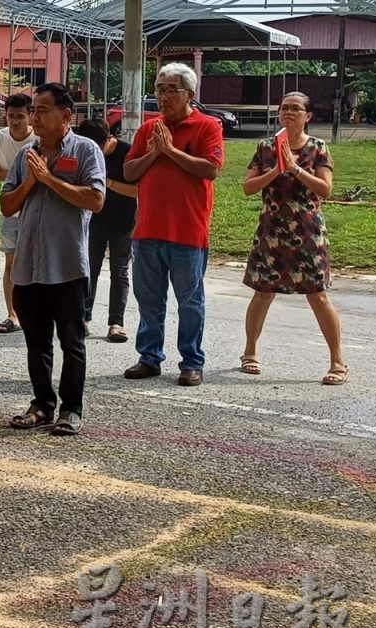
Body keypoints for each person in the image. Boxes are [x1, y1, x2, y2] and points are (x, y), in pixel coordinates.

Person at [0, 83, 106, 436]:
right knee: (36, 342)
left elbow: (94, 199)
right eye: (33, 110)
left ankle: (71, 408)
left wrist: (49, 178)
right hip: (29, 265)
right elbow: (7, 205)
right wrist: (32, 180)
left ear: (66, 115)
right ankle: (42, 404)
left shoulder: (86, 150)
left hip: (67, 266)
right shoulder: (25, 155)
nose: (35, 117)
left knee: (71, 343)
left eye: (43, 110)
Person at [122, 62, 224, 387]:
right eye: (159, 89)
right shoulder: (147, 129)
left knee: (190, 301)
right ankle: (149, 358)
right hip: (148, 230)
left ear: (189, 94)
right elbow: (129, 172)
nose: (163, 96)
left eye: (171, 90)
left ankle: (192, 361)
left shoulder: (208, 126)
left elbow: (210, 169)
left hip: (187, 232)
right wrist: (155, 153)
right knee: (150, 301)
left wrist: (171, 151)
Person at [240, 92, 347, 385]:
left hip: (308, 231)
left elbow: (325, 189)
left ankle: (338, 361)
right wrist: (276, 169)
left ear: (307, 116)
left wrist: (296, 169)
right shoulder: (265, 147)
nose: (289, 112)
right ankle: (249, 352)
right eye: (284, 108)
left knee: (318, 295)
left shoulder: (318, 148)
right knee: (263, 291)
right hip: (271, 230)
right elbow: (248, 187)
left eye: (296, 108)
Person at [75, 118, 137, 343]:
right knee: (89, 269)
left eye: (98, 147)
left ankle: (116, 323)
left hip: (123, 221)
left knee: (119, 271)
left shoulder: (127, 153)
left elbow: (138, 190)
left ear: (109, 139)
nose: (94, 152)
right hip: (94, 220)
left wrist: (108, 182)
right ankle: (83, 318)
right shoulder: (83, 151)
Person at [0, 93, 37, 335]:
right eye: (11, 116)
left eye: (20, 117)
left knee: (38, 262)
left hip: (36, 211)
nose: (15, 122)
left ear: (30, 116)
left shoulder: (39, 138)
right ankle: (12, 314)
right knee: (11, 263)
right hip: (10, 211)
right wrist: (19, 175)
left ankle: (37, 312)